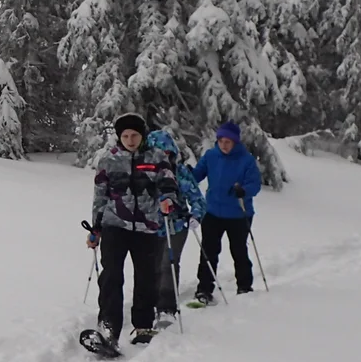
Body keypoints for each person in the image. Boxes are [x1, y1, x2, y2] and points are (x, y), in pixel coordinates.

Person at [85, 113, 179, 348]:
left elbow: (168, 184)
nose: (130, 140)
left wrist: (168, 199)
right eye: (125, 136)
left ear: (142, 135)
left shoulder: (157, 157)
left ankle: (143, 325)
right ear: (119, 137)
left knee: (146, 277)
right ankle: (108, 327)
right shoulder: (109, 159)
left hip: (147, 227)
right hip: (115, 225)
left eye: (134, 135)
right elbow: (100, 195)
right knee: (111, 276)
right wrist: (96, 228)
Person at [188, 120, 262, 305]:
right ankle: (204, 289)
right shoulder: (211, 155)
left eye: (227, 141)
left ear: (235, 141)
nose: (224, 145)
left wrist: (243, 190)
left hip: (238, 213)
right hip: (213, 212)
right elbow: (197, 175)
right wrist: (187, 173)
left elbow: (255, 184)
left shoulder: (246, 160)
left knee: (239, 251)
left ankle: (244, 287)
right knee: (209, 251)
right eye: (221, 141)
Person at [144, 128, 204, 323]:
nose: (164, 157)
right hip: (150, 226)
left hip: (176, 225)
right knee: (151, 265)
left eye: (167, 153)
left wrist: (196, 215)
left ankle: (167, 306)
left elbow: (197, 198)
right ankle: (150, 302)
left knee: (168, 263)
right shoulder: (144, 173)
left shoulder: (181, 172)